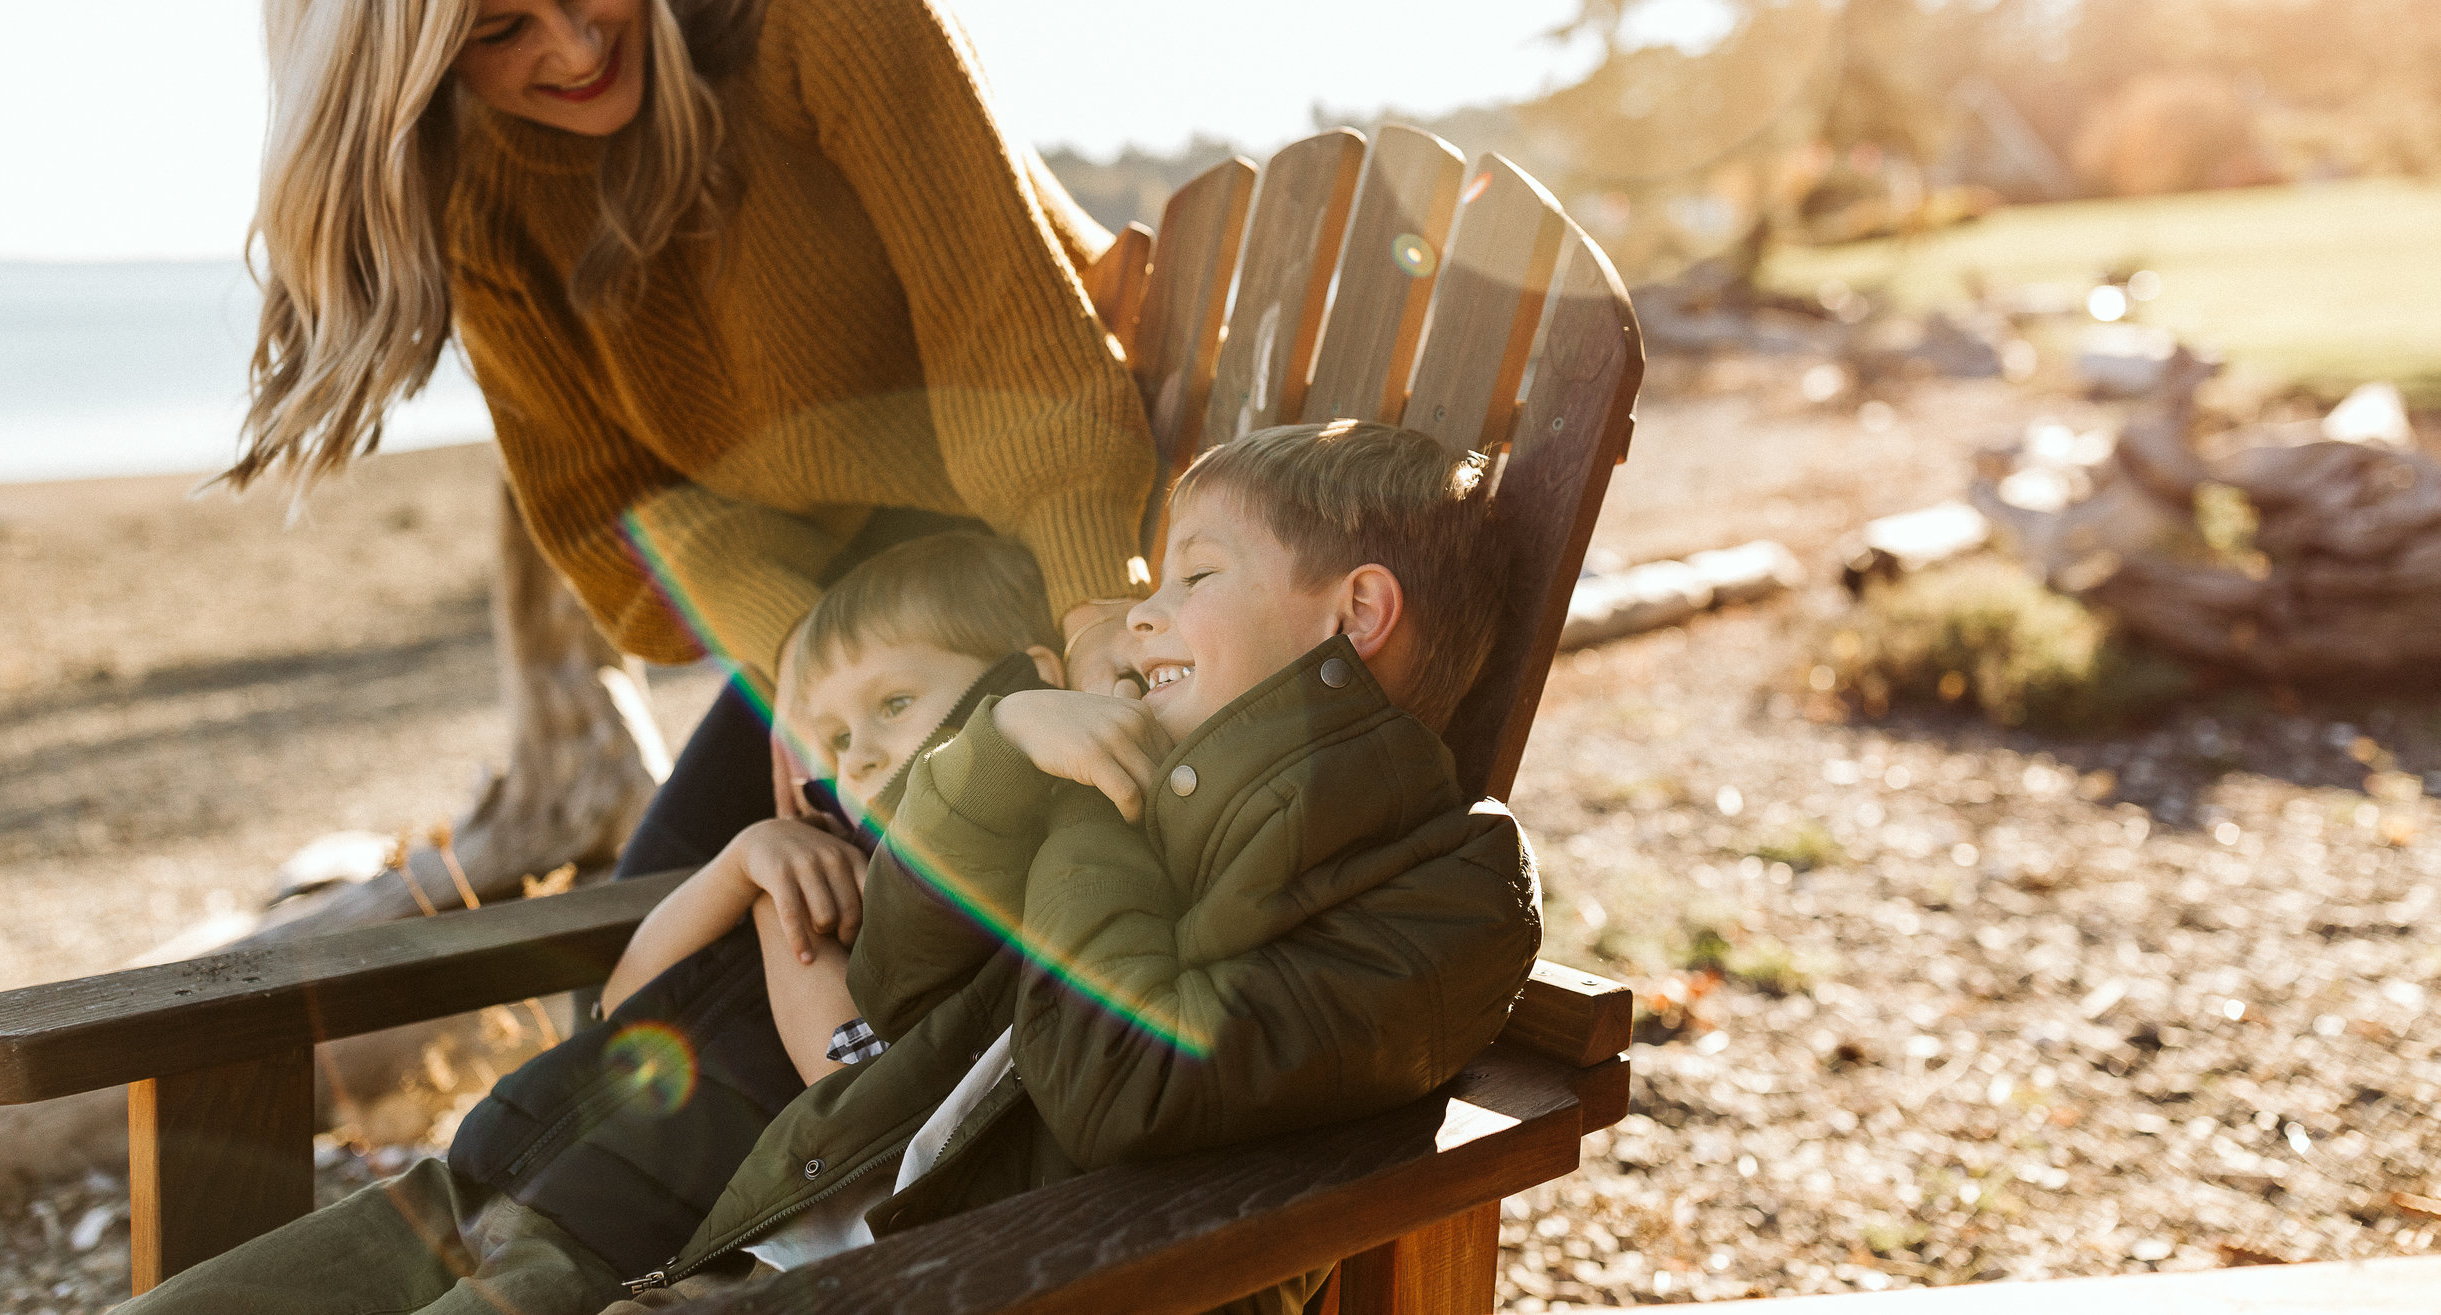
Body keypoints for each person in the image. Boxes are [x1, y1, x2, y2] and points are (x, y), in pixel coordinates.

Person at [122, 420, 1541, 1315]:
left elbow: (1124, 1085)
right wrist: (1000, 755)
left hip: (906, 1273)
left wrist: (1088, 791)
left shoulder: (1453, 892)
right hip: (644, 1203)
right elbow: (900, 961)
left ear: (1356, 612)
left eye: (1196, 575)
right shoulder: (1127, 777)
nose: (1145, 608)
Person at [222, 0, 1157, 904]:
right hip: (866, 620)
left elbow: (1013, 348)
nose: (569, 46)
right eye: (496, 33)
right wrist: (818, 676)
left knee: (852, 934)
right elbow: (622, 518)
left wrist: (1099, 617)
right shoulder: (474, 195)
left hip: (1081, 539)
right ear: (410, 62)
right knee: (660, 944)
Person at [599, 533, 1069, 1086]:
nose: (861, 758)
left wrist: (777, 917)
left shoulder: (1034, 854)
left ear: (1033, 677)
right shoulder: (831, 845)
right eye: (839, 738)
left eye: (895, 704)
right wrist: (743, 861)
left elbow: (863, 1097)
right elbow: (618, 1004)